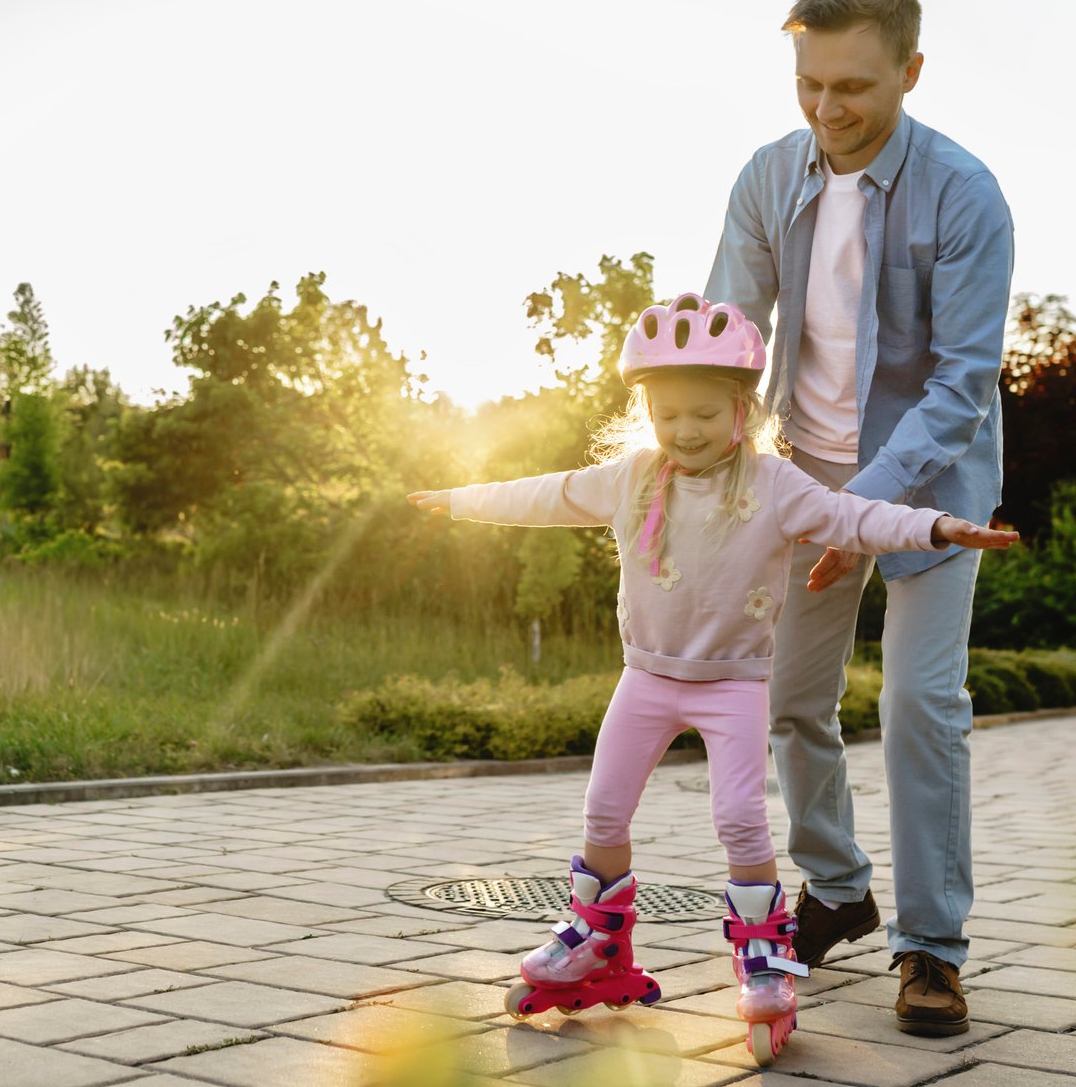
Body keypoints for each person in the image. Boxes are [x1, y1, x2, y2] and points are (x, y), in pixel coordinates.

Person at [407, 292, 1016, 1065]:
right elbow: (546, 493)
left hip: (733, 684)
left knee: (739, 820)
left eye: (702, 413)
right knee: (603, 813)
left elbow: (854, 518)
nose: (684, 431)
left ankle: (764, 959)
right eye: (667, 416)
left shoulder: (774, 485)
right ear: (647, 415)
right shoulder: (632, 478)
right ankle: (598, 943)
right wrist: (458, 503)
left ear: (742, 409)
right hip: (646, 679)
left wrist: (934, 525)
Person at [704, 0, 1015, 1035]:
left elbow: (959, 385)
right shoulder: (765, 178)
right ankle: (834, 888)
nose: (828, 112)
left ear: (908, 73)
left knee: (917, 708)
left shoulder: (963, 193)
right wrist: (702, 466)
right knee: (786, 699)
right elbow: (727, 341)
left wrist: (862, 513)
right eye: (808, 85)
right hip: (803, 473)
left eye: (854, 88)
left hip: (933, 482)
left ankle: (928, 949)